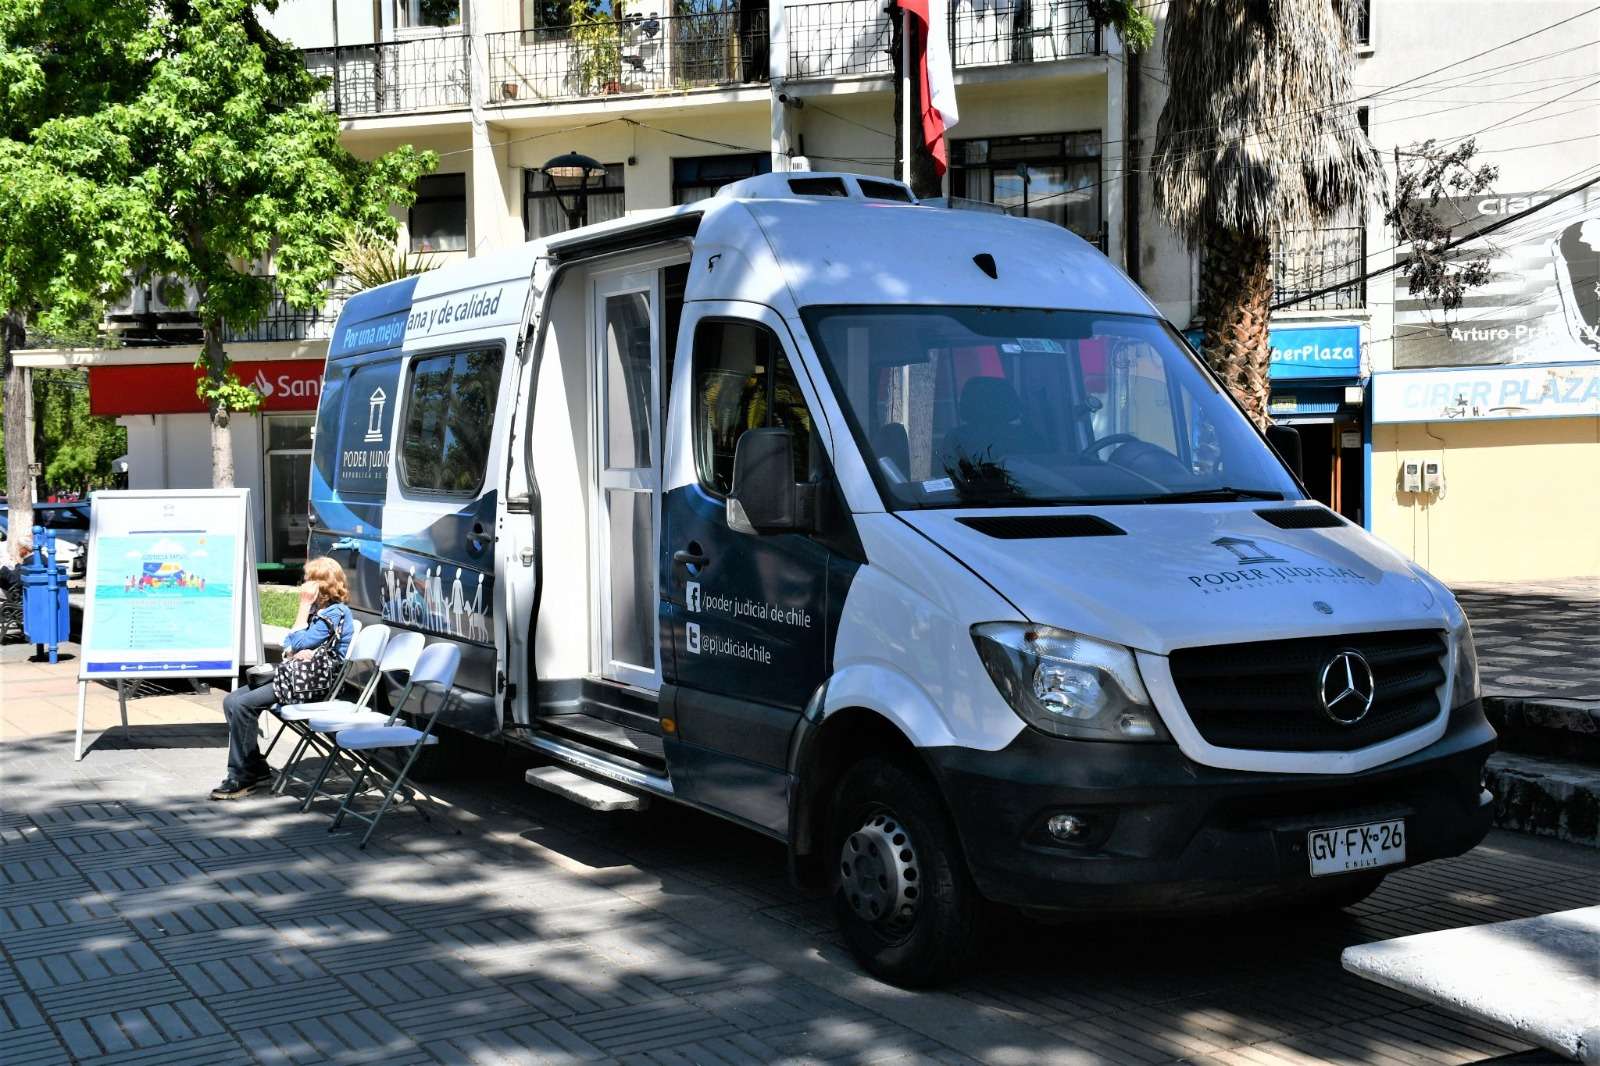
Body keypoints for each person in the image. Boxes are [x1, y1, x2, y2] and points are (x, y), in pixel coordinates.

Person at [213, 557, 354, 800]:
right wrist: (296, 646)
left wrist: (302, 610)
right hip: (297, 676)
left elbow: (298, 641)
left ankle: (240, 775)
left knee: (242, 704)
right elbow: (289, 645)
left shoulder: (335, 612)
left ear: (322, 584)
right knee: (231, 701)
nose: (304, 584)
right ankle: (256, 768)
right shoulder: (319, 612)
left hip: (311, 683)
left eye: (309, 579)